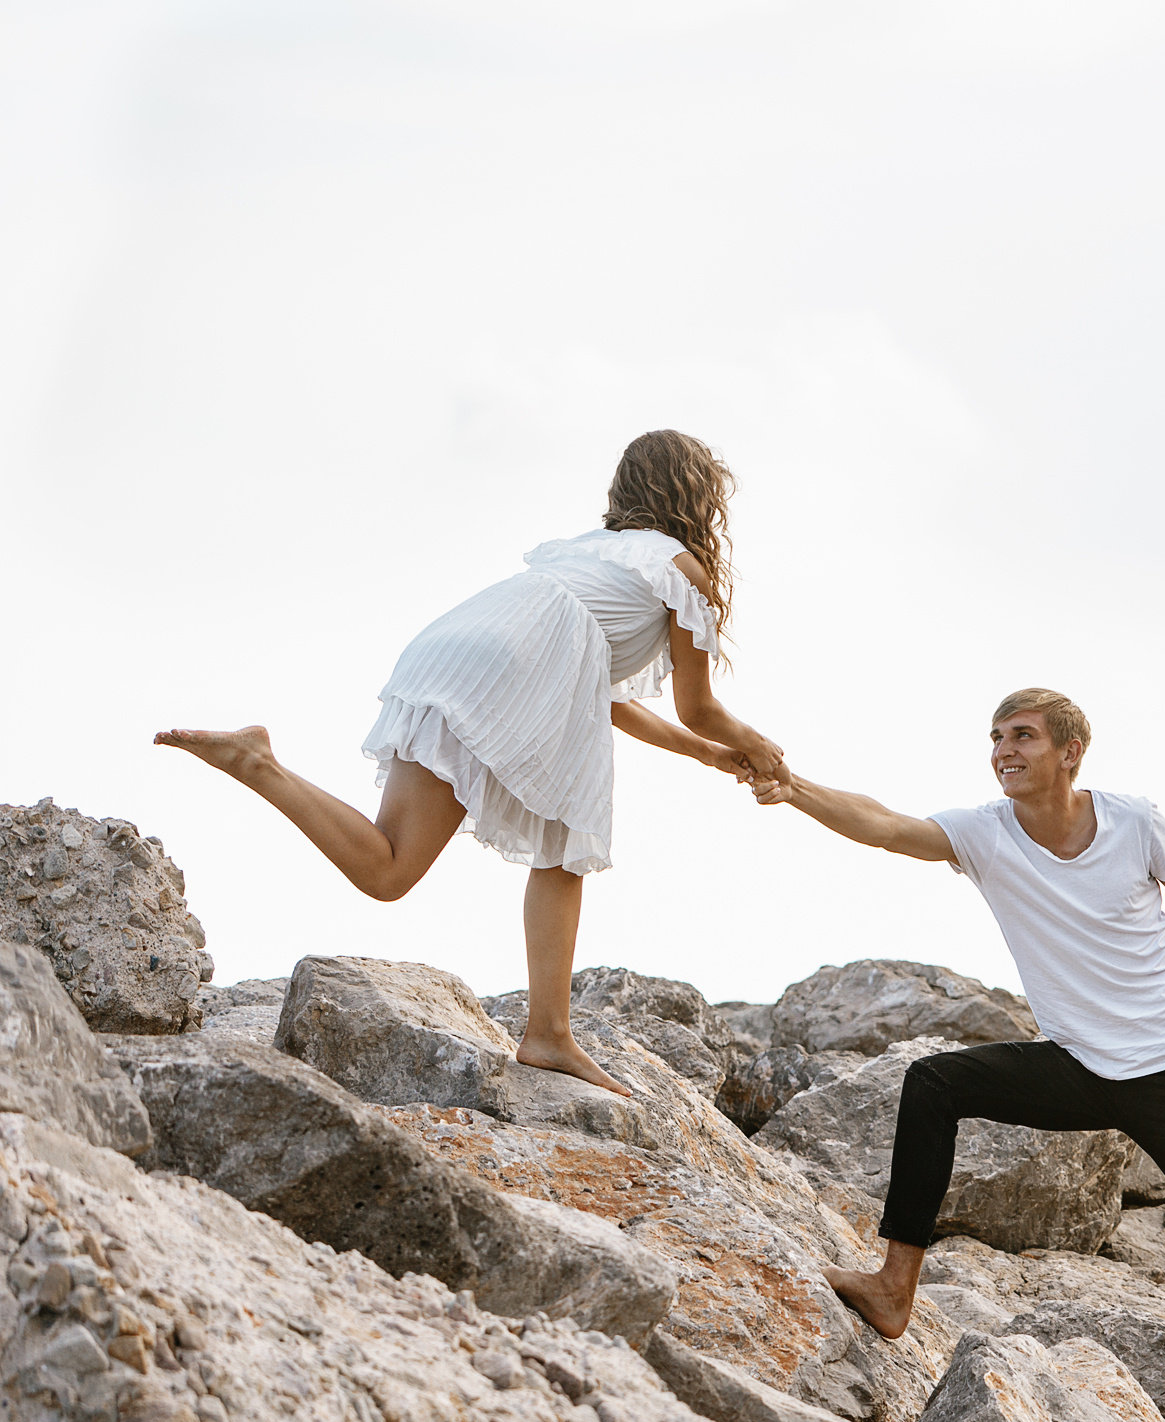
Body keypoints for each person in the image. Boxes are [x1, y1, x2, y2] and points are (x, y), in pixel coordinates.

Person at [751, 687, 1165, 1422]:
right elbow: (884, 823)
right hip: (1081, 1065)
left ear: (1071, 751)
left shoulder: (1135, 823)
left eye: (1021, 736)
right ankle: (893, 1286)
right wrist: (796, 789)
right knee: (935, 1082)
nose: (1002, 750)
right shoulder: (986, 831)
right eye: (994, 737)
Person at [155, 429, 788, 1096]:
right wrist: (759, 745)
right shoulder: (682, 568)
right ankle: (547, 1033)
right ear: (697, 498)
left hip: (462, 647)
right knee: (565, 848)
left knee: (389, 866)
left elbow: (598, 696)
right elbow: (697, 705)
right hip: (521, 660)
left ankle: (260, 764)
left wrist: (715, 758)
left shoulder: (593, 552)